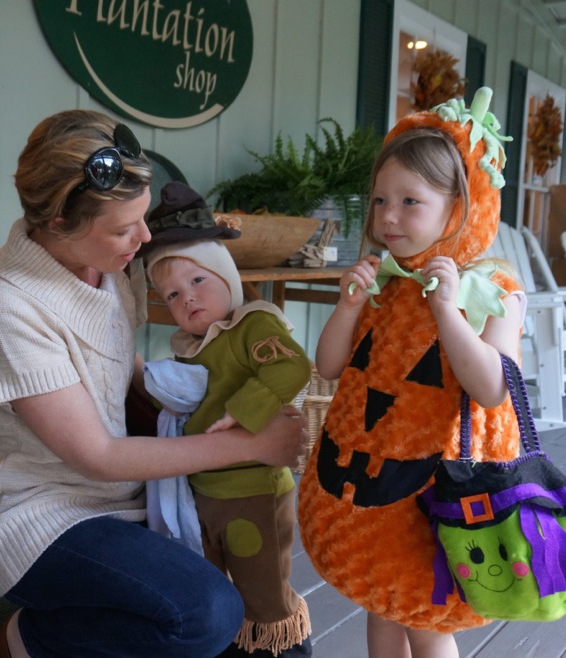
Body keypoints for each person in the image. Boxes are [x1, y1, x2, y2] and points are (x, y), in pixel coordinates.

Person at [0, 109, 309, 658]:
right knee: (208, 614)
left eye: (143, 219)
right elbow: (96, 454)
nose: (144, 239)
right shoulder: (4, 302)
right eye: (125, 229)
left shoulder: (113, 269)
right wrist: (249, 445)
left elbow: (121, 378)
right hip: (42, 517)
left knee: (267, 622)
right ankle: (32, 638)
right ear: (57, 224)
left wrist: (229, 395)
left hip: (131, 498)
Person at [298, 87, 526, 658]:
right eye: (379, 201)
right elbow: (329, 369)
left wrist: (447, 311)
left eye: (410, 201)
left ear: (460, 208)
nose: (388, 217)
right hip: (372, 495)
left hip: (439, 489)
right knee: (380, 607)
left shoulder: (492, 289)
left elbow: (494, 386)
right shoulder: (386, 285)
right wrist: (349, 306)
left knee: (425, 618)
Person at [141, 181, 314, 657]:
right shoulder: (194, 347)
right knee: (211, 585)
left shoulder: (252, 324)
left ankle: (285, 649)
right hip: (206, 491)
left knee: (263, 593)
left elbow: (292, 365)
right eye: (173, 294)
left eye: (198, 281)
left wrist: (243, 412)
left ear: (226, 276)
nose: (188, 299)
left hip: (252, 491)